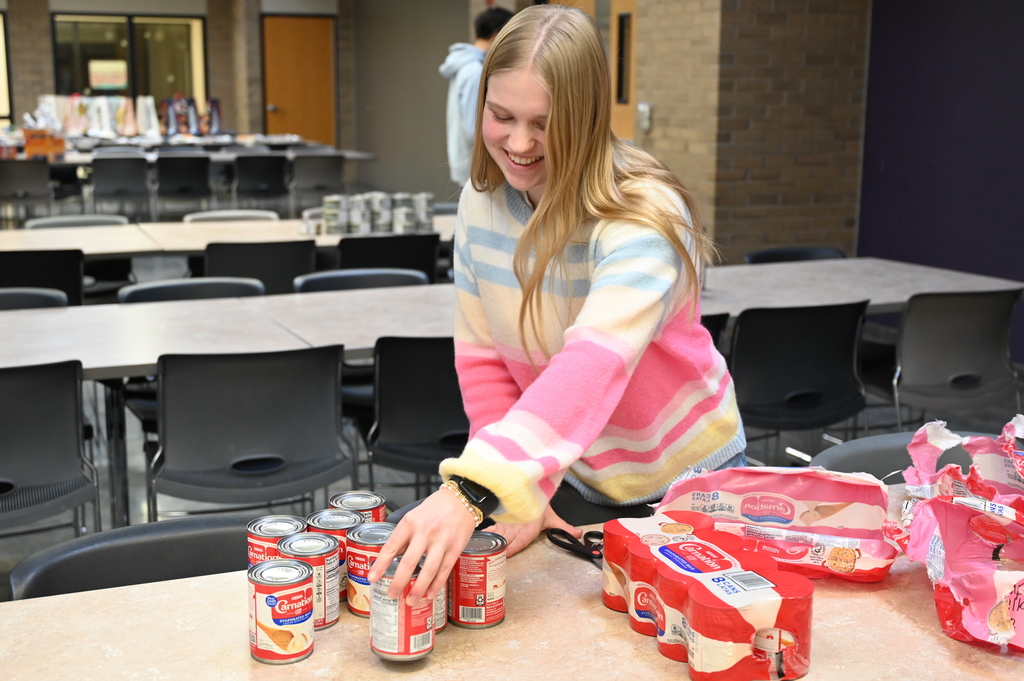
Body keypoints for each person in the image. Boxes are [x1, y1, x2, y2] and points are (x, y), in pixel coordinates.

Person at [369, 5, 745, 605]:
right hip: (572, 470)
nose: (518, 144)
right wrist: (524, 488)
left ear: (588, 117)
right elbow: (485, 358)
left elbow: (592, 364)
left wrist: (472, 490)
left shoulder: (642, 213)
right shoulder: (480, 200)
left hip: (683, 482)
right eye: (501, 116)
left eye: (545, 123)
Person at [439, 6, 514, 185]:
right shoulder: (474, 70)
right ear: (496, 37)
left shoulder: (466, 65)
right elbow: (475, 127)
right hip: (476, 165)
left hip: (467, 162)